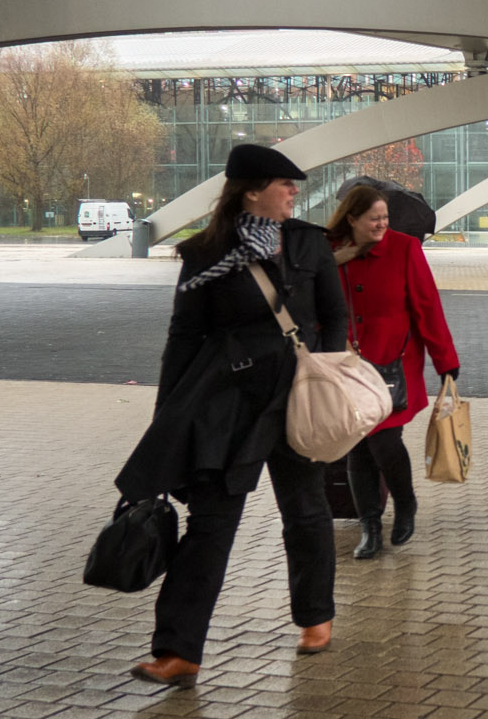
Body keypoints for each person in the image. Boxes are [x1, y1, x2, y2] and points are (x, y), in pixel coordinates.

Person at [116, 144, 346, 687]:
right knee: (211, 527)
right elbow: (184, 337)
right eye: (284, 184)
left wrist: (323, 378)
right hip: (228, 405)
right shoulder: (205, 253)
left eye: (295, 185)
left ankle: (315, 616)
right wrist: (168, 414)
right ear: (250, 191)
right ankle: (179, 653)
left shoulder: (310, 244)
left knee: (307, 512)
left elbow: (335, 318)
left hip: (295, 400)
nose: (294, 191)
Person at [326, 185, 462, 560]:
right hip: (349, 365)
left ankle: (405, 502)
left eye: (385, 217)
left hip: (394, 364)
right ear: (351, 219)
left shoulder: (404, 248)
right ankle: (370, 526)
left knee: (384, 441)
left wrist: (445, 359)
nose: (382, 224)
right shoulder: (331, 252)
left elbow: (427, 305)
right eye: (374, 219)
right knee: (359, 446)